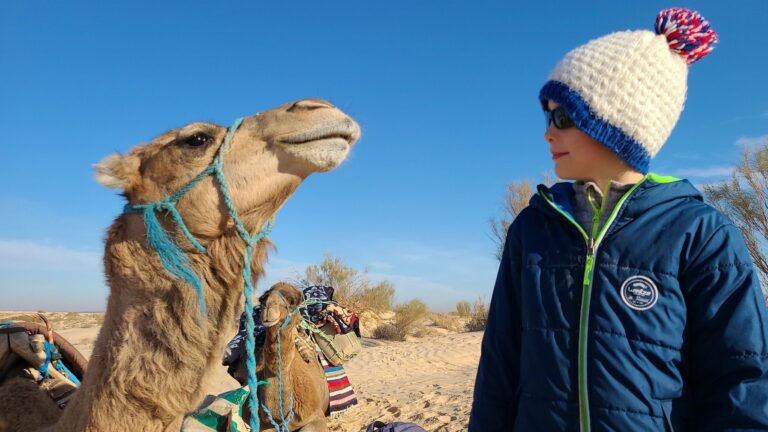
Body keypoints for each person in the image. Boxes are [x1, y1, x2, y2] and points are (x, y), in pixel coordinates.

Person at [469, 8, 768, 431]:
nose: (547, 133)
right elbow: (498, 367)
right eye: (546, 116)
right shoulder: (532, 228)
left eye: (563, 117)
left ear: (616, 123)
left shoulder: (700, 233)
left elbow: (742, 382)